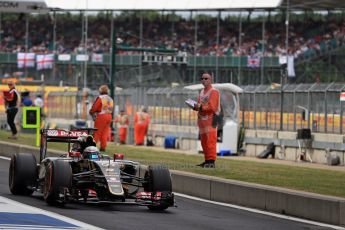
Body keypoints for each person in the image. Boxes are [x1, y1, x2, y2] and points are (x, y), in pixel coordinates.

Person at [193, 72, 220, 168]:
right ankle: (207, 160)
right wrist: (195, 106)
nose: (204, 80)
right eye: (202, 78)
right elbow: (200, 105)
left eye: (206, 78)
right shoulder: (201, 92)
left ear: (210, 80)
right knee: (204, 141)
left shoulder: (214, 91)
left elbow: (212, 107)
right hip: (202, 120)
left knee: (210, 140)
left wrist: (200, 107)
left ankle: (211, 161)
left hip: (211, 119)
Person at [89, 85, 114, 152]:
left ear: (101, 90)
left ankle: (92, 146)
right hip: (109, 115)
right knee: (105, 132)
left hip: (101, 116)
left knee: (97, 132)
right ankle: (103, 147)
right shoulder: (110, 99)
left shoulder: (100, 98)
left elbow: (95, 107)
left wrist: (91, 112)